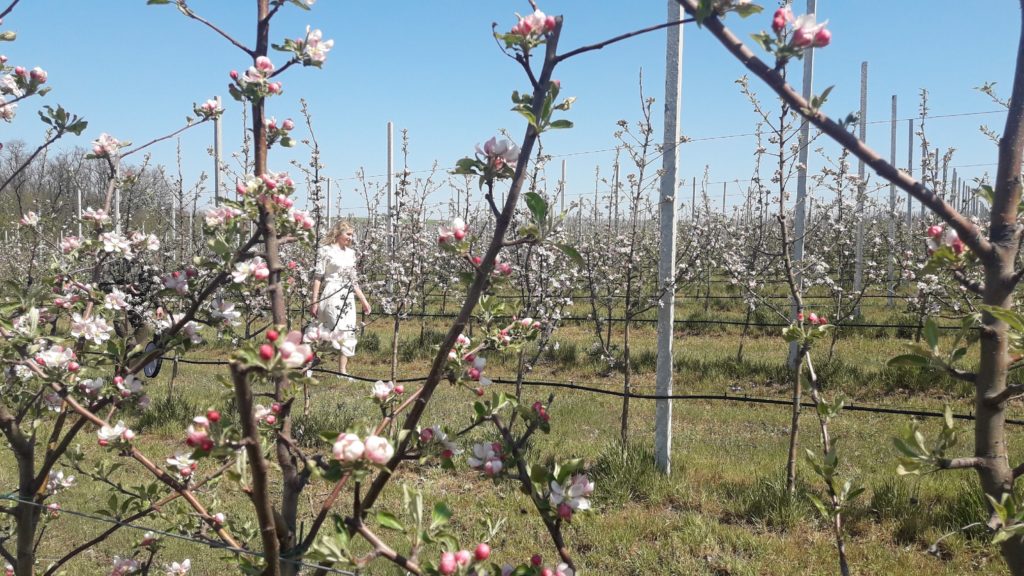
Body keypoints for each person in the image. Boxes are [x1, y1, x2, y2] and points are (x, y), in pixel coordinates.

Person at [310, 220, 371, 376]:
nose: (351, 237)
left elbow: (353, 280)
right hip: (331, 294)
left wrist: (364, 301)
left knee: (348, 330)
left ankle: (342, 372)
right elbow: (318, 277)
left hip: (347, 296)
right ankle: (310, 360)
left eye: (352, 234)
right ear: (338, 233)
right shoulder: (325, 251)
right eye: (348, 234)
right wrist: (314, 301)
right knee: (329, 329)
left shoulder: (351, 253)